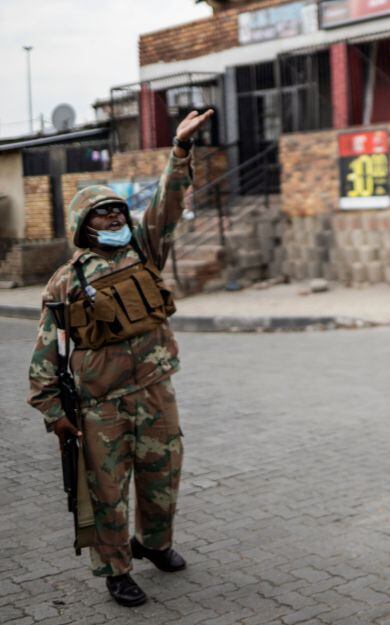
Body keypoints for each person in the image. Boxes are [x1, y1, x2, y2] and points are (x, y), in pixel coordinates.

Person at [28, 109, 213, 606]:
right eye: (101, 215)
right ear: (82, 228)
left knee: (162, 472)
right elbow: (46, 354)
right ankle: (116, 569)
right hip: (101, 405)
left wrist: (179, 150)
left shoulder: (144, 251)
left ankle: (155, 544)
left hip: (155, 390)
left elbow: (167, 205)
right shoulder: (66, 281)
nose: (113, 219)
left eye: (116, 211)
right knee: (106, 490)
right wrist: (54, 413)